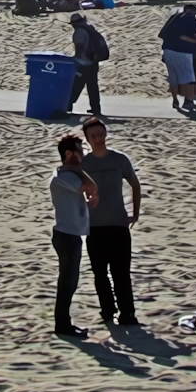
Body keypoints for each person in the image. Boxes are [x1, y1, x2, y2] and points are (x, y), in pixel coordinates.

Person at [79, 116, 142, 327]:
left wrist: (135, 213)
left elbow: (135, 183)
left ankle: (127, 313)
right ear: (87, 139)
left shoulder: (119, 159)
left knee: (121, 272)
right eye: (94, 136)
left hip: (118, 224)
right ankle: (107, 310)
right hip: (93, 226)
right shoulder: (83, 163)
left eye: (101, 134)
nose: (99, 139)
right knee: (99, 273)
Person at [48, 134, 99, 338]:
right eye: (79, 150)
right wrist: (76, 168)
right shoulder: (63, 176)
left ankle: (64, 322)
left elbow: (89, 191)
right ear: (68, 154)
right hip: (66, 235)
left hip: (72, 234)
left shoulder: (70, 174)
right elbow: (91, 187)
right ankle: (62, 324)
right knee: (67, 282)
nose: (83, 154)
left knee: (70, 280)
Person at [159, 4, 196, 110]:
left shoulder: (174, 17)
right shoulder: (190, 18)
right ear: (191, 11)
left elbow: (164, 34)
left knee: (173, 76)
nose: (195, 14)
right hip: (182, 51)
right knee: (187, 77)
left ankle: (175, 100)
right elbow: (184, 36)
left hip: (167, 49)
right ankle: (188, 102)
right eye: (195, 12)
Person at [68, 13, 103, 116]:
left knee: (75, 85)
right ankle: (96, 109)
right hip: (93, 62)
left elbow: (80, 48)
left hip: (83, 63)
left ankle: (68, 106)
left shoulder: (79, 31)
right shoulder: (89, 28)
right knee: (92, 87)